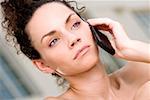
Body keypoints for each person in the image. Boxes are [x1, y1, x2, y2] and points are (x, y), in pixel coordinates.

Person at [1, 0, 150, 100]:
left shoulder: (143, 70)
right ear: (43, 65)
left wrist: (131, 47)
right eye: (53, 41)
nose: (73, 38)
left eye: (75, 24)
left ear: (91, 26)